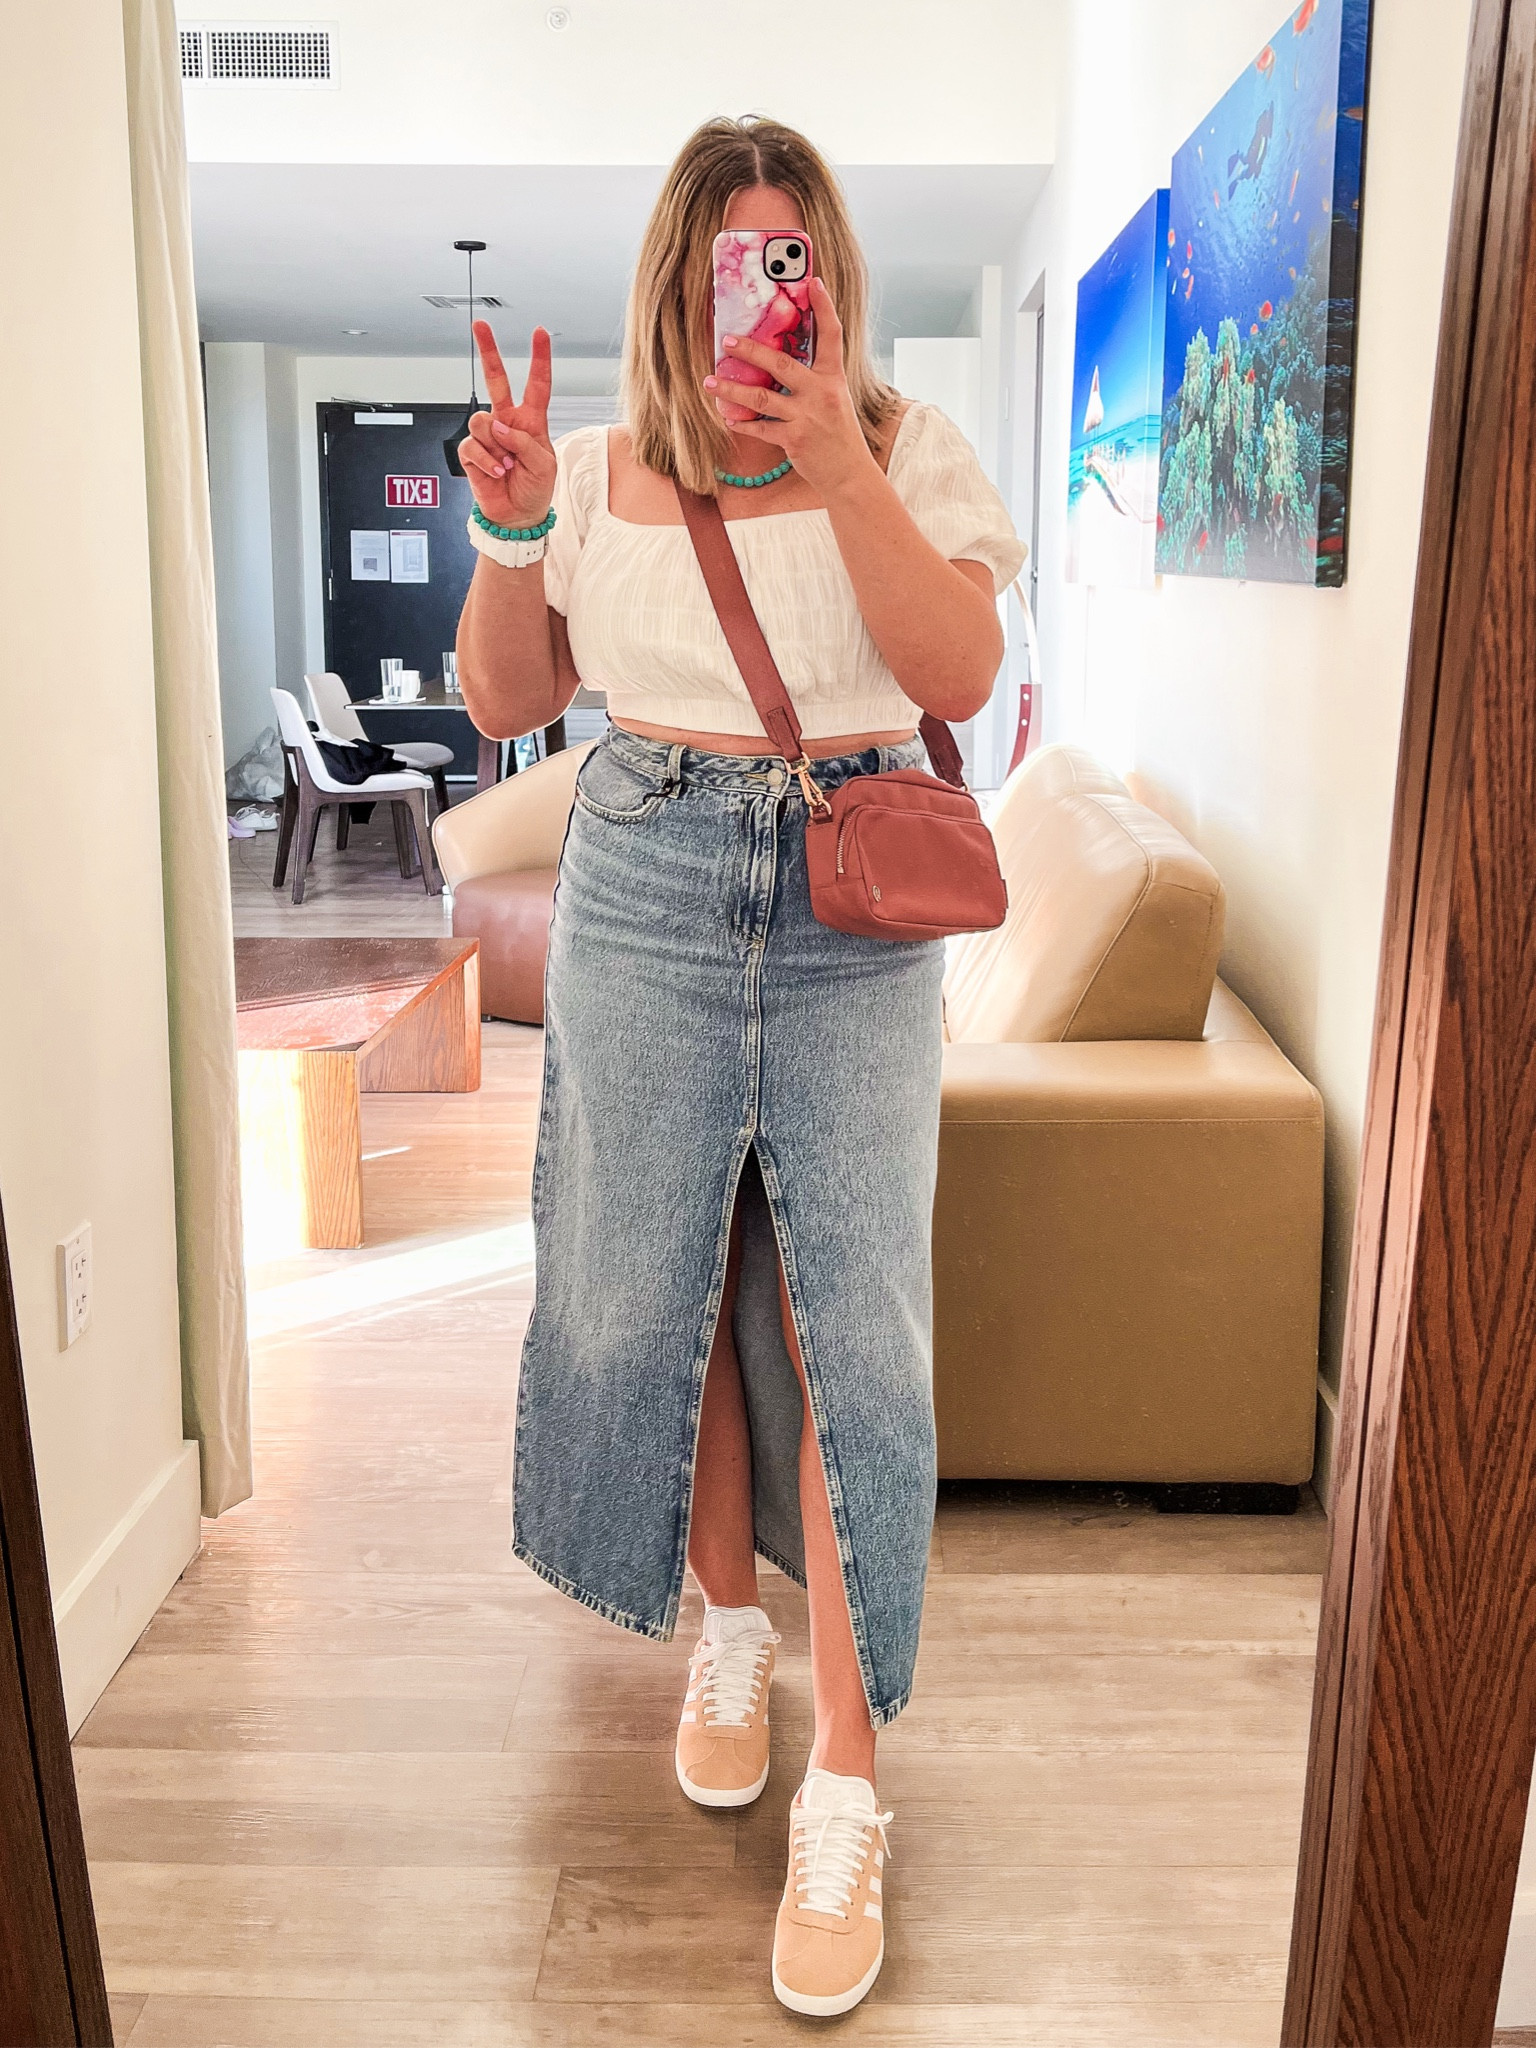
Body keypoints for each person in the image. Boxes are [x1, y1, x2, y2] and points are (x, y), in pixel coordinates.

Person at [455, 114, 1024, 2017]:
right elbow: (509, 701)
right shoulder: (606, 473)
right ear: (680, 288)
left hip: (853, 884)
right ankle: (724, 1628)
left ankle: (849, 1776)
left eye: (800, 263)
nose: (770, 297)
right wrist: (518, 527)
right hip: (644, 868)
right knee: (662, 1288)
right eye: (735, 264)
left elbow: (950, 675)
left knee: (862, 1331)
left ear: (834, 281)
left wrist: (844, 458)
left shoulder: (911, 447)